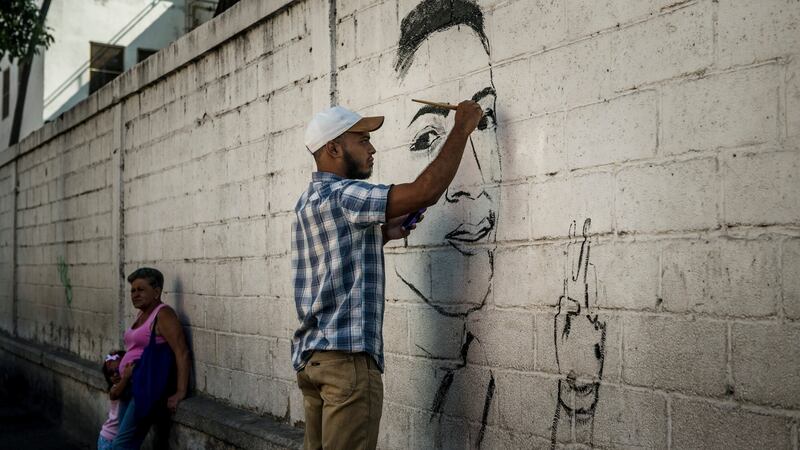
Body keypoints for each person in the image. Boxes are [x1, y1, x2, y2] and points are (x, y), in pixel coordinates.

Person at [291, 101, 484, 450]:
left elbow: (332, 261)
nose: (372, 148)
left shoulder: (308, 201)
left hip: (314, 360)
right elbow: (424, 191)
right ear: (333, 148)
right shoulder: (346, 195)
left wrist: (382, 234)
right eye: (362, 140)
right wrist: (462, 128)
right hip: (346, 363)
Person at [112, 268, 190, 449]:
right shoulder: (141, 314)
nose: (135, 294)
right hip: (129, 386)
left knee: (120, 446)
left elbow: (182, 352)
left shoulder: (163, 315)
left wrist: (180, 391)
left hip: (145, 388)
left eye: (141, 289)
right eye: (133, 290)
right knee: (122, 442)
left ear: (156, 292)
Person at [98, 350, 128, 450]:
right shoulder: (115, 388)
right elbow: (114, 394)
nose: (115, 375)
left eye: (118, 370)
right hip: (108, 437)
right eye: (111, 373)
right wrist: (126, 377)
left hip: (116, 438)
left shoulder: (126, 386)